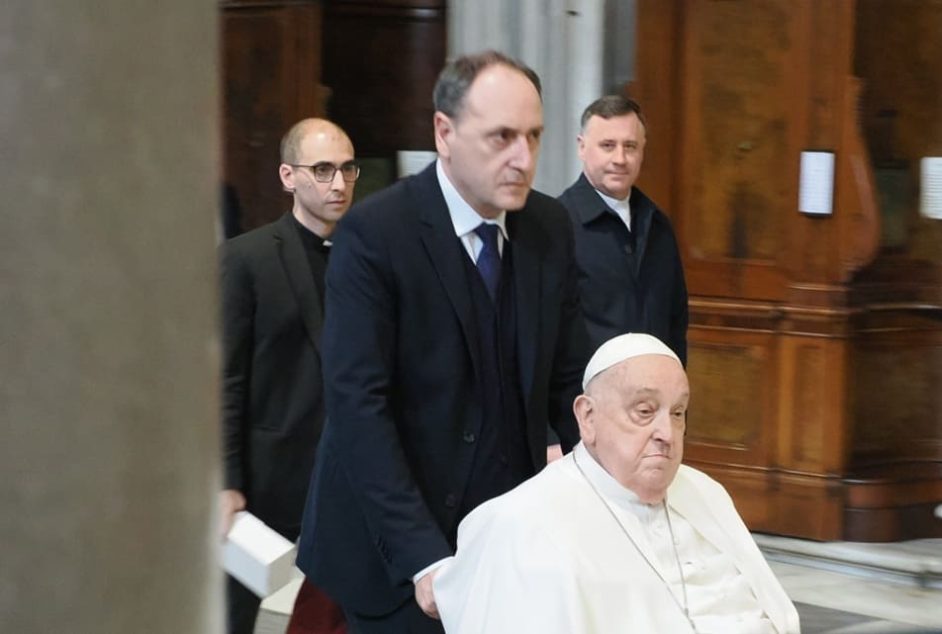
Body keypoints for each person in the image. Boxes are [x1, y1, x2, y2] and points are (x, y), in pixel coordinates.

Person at [296, 50, 589, 633]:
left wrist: (607, 490)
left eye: (533, 136)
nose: (524, 158)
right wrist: (422, 555)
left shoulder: (548, 227)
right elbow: (359, 407)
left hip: (505, 536)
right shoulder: (376, 234)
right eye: (501, 137)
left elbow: (571, 380)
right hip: (393, 551)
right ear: (444, 132)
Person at [433, 333, 801, 634]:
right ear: (587, 417)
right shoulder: (521, 524)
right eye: (644, 411)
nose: (667, 433)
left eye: (677, 413)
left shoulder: (705, 493)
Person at [219, 118, 357, 634]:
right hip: (267, 480)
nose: (338, 183)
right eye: (322, 170)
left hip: (347, 478)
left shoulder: (369, 256)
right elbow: (225, 381)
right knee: (233, 618)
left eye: (346, 169)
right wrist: (227, 482)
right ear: (288, 176)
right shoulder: (245, 259)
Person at [559, 95, 688, 363]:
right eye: (607, 146)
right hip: (589, 386)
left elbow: (676, 321)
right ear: (582, 147)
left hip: (656, 384)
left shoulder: (658, 225)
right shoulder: (557, 225)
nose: (620, 158)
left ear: (643, 150)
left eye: (630, 146)